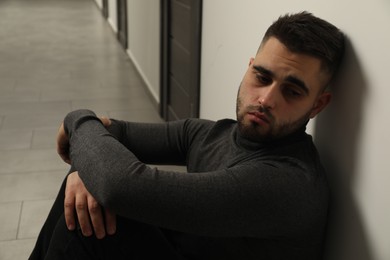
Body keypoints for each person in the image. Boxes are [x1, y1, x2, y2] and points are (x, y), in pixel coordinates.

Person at [29, 11, 345, 260]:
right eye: (261, 77)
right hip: (188, 250)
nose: (266, 99)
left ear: (318, 104)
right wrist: (87, 162)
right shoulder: (212, 133)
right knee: (85, 181)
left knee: (91, 203)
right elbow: (118, 133)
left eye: (291, 91)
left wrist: (76, 118)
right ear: (249, 68)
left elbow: (120, 186)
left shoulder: (287, 183)